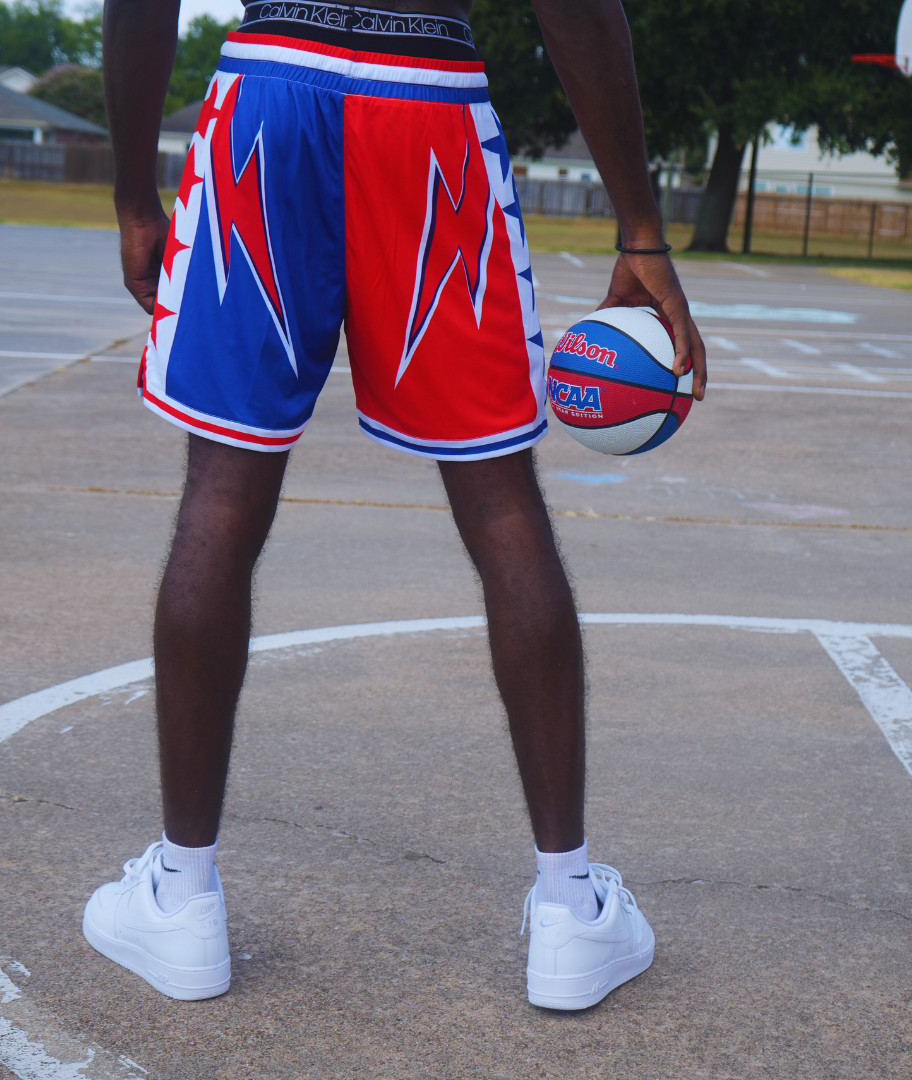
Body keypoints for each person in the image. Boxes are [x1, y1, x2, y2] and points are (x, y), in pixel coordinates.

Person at [83, 0, 706, 1011]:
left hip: (271, 89)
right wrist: (643, 228)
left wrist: (129, 197)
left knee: (224, 489)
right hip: (427, 103)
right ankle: (567, 910)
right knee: (501, 500)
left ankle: (182, 897)